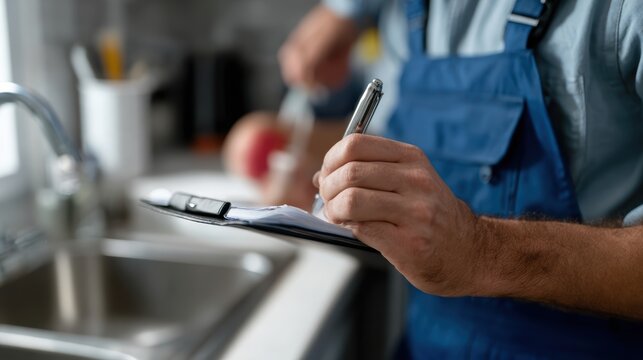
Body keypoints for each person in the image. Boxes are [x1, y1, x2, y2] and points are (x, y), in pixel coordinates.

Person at [280, 0, 643, 358]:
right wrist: (305, 157)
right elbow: (394, 139)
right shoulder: (401, 14)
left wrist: (482, 251)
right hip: (425, 344)